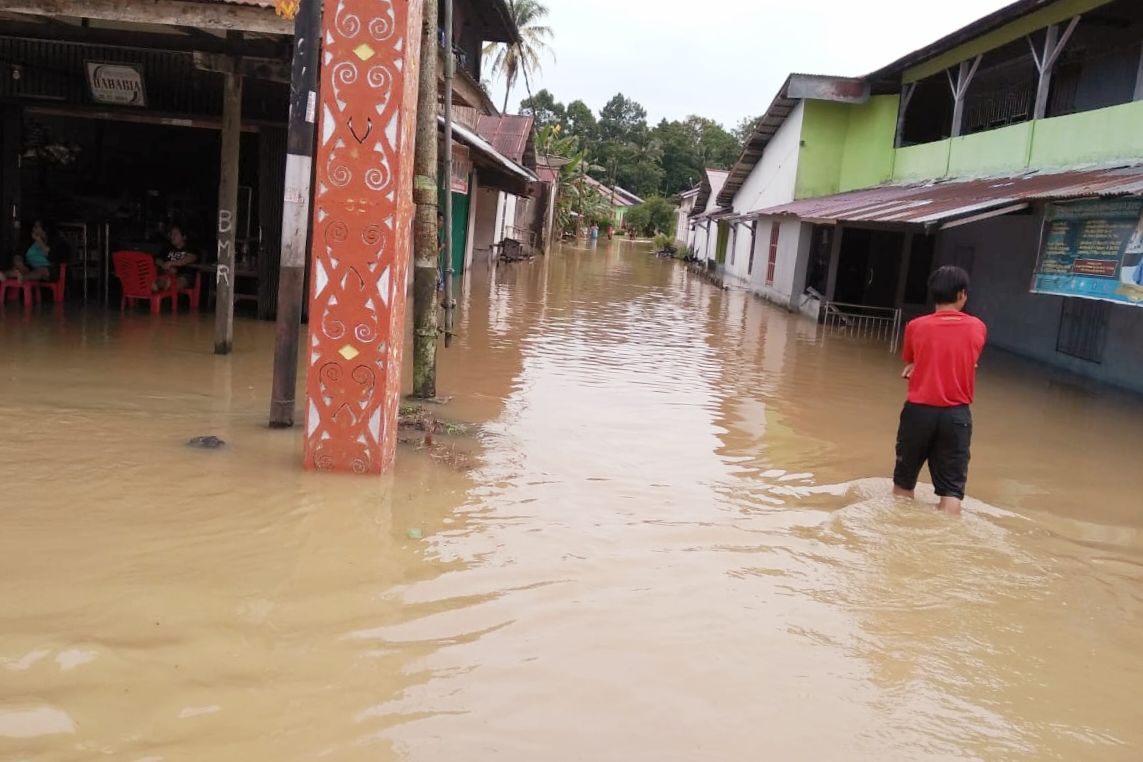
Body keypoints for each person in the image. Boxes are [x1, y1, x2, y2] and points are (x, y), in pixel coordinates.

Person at [892, 266, 987, 516]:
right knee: (951, 492)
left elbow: (911, 360)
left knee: (903, 484)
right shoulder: (977, 327)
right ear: (962, 294)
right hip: (956, 417)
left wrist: (916, 366)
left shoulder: (916, 326)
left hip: (918, 413)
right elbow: (968, 359)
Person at [155, 225, 197, 291]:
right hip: (167, 274)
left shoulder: (190, 247)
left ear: (184, 237)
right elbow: (157, 259)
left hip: (184, 275)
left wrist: (171, 263)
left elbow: (190, 258)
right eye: (171, 234)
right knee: (155, 283)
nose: (172, 236)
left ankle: (167, 288)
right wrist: (165, 266)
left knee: (176, 283)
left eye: (176, 234)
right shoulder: (168, 247)